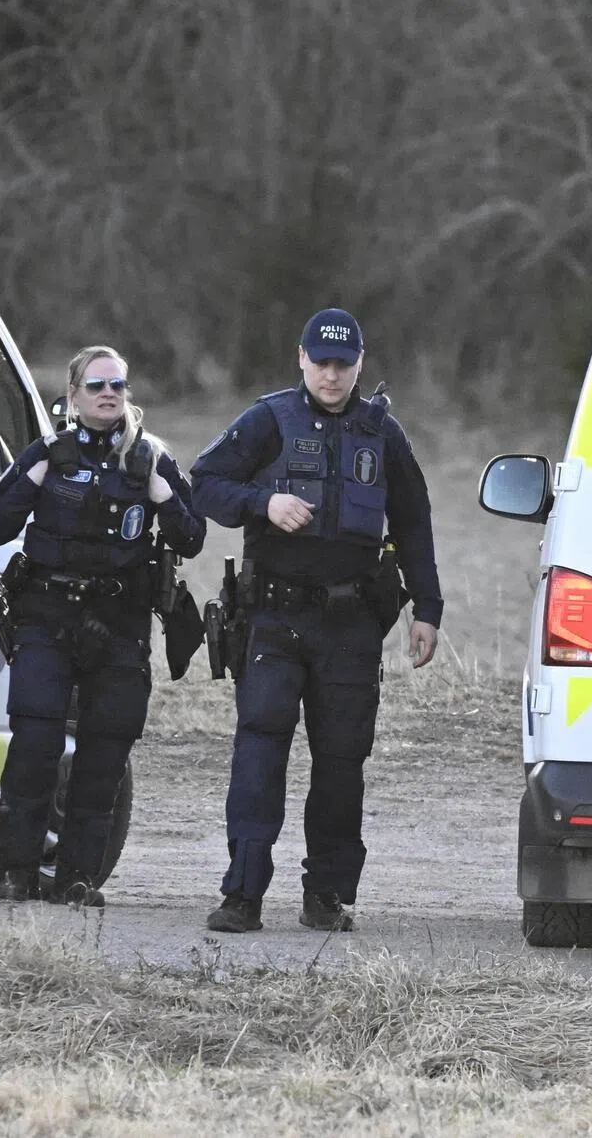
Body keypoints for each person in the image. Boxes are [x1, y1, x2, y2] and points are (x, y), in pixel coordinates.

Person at [191, 307, 443, 934]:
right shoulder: (268, 420)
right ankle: (242, 895)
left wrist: (427, 609)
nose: (332, 375)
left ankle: (326, 895)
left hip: (352, 623)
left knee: (341, 761)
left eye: (344, 363)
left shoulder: (383, 432)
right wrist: (263, 501)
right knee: (260, 750)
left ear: (361, 364)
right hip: (273, 618)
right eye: (321, 362)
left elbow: (413, 520)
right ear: (301, 360)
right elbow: (204, 484)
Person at [0, 346, 205, 906]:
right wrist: (32, 474)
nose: (110, 394)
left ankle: (79, 879)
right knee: (34, 746)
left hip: (119, 624)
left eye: (119, 386)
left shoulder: (150, 458)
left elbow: (193, 537)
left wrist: (161, 492)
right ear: (74, 395)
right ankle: (17, 874)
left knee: (103, 755)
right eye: (97, 385)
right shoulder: (48, 454)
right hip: (47, 619)